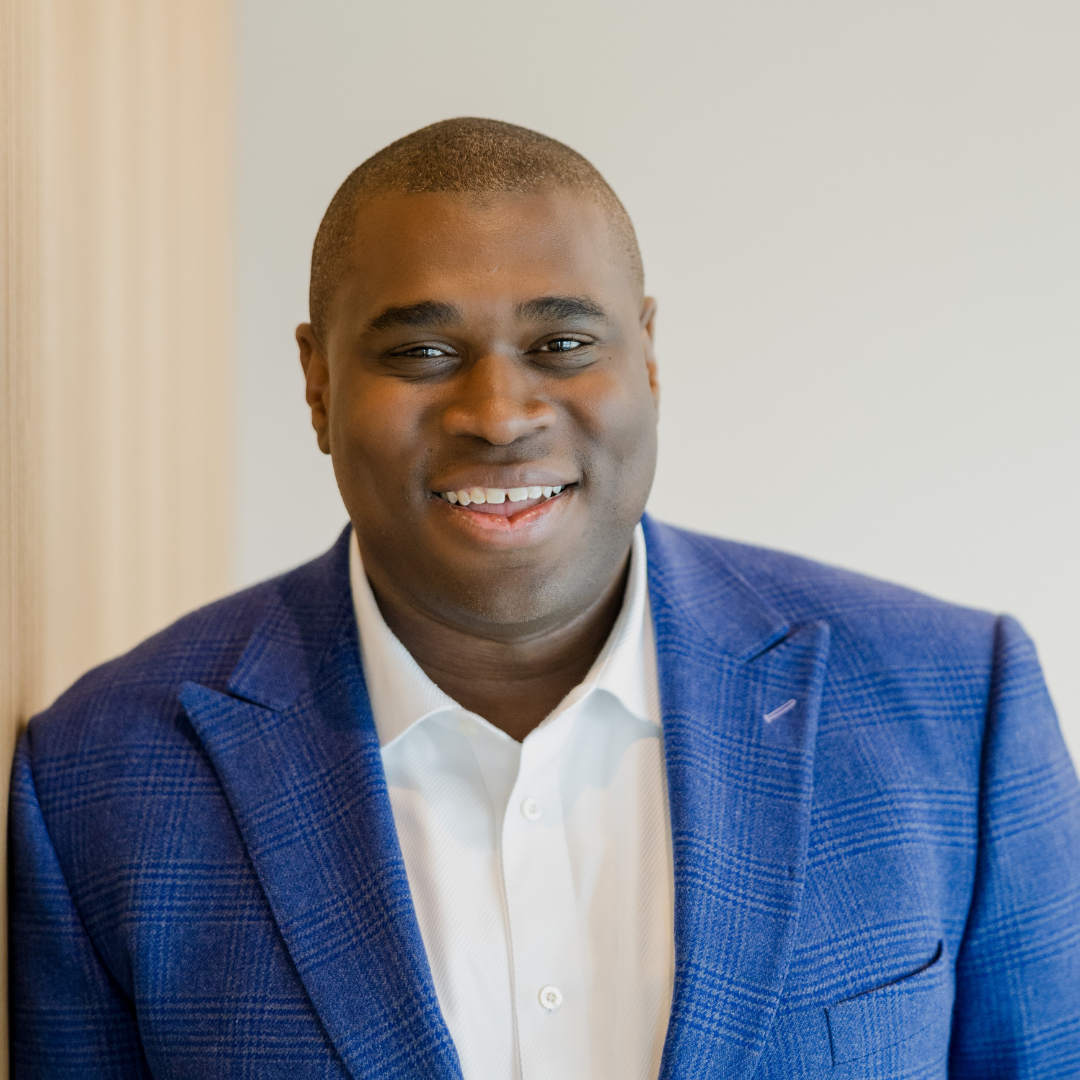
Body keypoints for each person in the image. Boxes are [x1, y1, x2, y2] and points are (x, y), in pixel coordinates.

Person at [9, 118, 1080, 1080]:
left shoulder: (956, 706)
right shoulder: (98, 780)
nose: (499, 412)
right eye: (422, 352)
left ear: (648, 356)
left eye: (561, 345)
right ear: (318, 382)